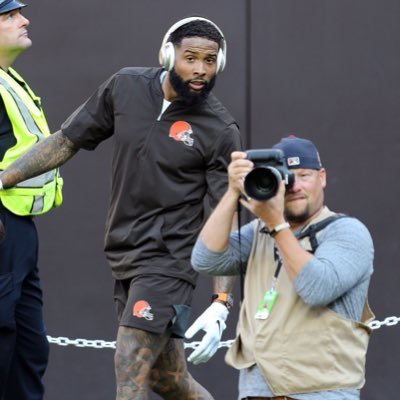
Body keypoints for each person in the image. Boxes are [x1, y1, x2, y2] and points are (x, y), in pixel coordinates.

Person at [0, 16, 241, 399]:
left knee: (129, 364)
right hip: (124, 256)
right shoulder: (126, 85)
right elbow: (65, 141)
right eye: (190, 57)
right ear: (167, 55)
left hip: (169, 263)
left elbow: (223, 218)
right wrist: (3, 179)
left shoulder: (219, 128)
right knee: (169, 381)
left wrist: (222, 302)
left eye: (209, 61)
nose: (200, 70)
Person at [191, 136, 375, 400]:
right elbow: (205, 260)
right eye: (286, 177)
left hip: (320, 392)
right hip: (257, 392)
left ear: (322, 177)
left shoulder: (347, 232)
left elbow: (317, 288)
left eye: (304, 175)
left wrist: (277, 224)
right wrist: (232, 192)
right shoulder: (258, 232)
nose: (295, 186)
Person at [0, 1, 64, 399]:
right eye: (8, 15)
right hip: (3, 225)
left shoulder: (10, 79)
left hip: (19, 228)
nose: (23, 20)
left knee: (27, 347)